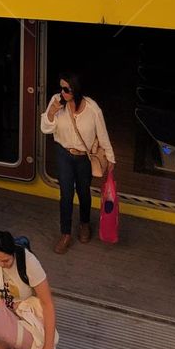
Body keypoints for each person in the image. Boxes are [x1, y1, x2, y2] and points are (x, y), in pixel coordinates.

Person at [40, 71, 115, 254]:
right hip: (63, 153)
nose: (62, 92)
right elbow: (45, 129)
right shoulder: (56, 102)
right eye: (61, 88)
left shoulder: (93, 109)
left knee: (83, 192)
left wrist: (110, 157)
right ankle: (65, 234)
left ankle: (84, 224)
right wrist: (51, 112)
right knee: (66, 194)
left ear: (76, 89)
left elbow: (102, 134)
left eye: (66, 89)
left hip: (84, 157)